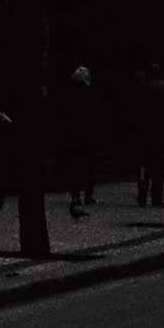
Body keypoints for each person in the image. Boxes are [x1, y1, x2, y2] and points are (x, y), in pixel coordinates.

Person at [129, 57, 164, 211]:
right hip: (159, 133)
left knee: (143, 164)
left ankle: (142, 187)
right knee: (159, 167)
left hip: (142, 132)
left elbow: (134, 111)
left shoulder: (141, 89)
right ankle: (157, 197)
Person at [62, 64, 99, 220]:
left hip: (72, 134)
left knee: (75, 165)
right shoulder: (91, 95)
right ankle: (88, 194)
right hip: (88, 134)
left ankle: (75, 195)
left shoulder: (69, 96)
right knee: (89, 164)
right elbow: (99, 115)